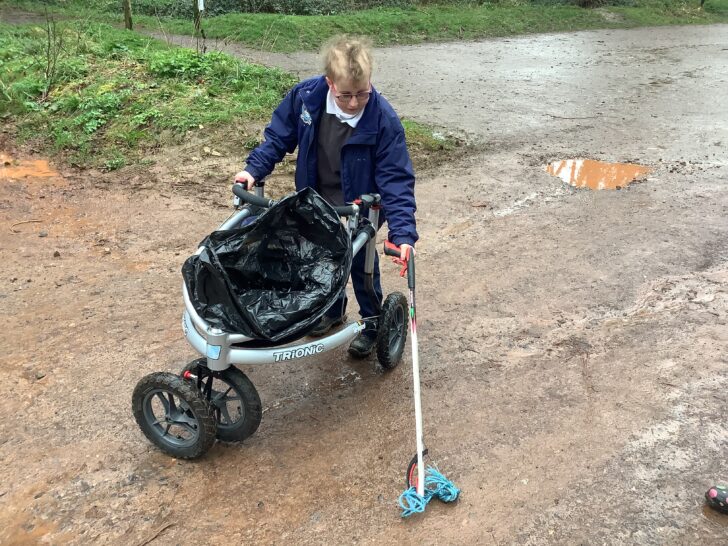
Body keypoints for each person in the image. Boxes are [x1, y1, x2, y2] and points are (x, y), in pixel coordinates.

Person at [234, 35, 417, 358]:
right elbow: (278, 137)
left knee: (361, 263)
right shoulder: (306, 98)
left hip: (361, 206)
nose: (353, 103)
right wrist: (254, 170)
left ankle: (373, 321)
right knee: (321, 259)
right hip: (317, 198)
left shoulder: (383, 119)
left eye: (362, 93)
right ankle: (332, 312)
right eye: (345, 94)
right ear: (329, 82)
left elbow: (396, 178)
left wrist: (403, 235)